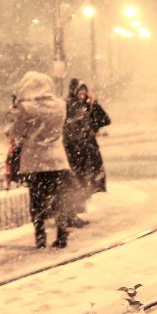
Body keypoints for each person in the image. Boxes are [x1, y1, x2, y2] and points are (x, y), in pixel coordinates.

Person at [7, 71, 72, 249]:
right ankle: (62, 233)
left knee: (37, 198)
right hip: (57, 159)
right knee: (59, 197)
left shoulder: (26, 108)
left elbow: (16, 132)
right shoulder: (60, 105)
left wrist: (15, 114)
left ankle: (40, 234)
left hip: (35, 161)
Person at [62, 81, 111, 228]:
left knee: (82, 180)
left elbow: (105, 120)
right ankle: (70, 214)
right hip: (73, 150)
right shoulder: (68, 106)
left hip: (85, 150)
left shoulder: (87, 106)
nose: (82, 96)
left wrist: (93, 103)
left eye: (84, 92)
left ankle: (73, 213)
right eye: (80, 92)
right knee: (75, 181)